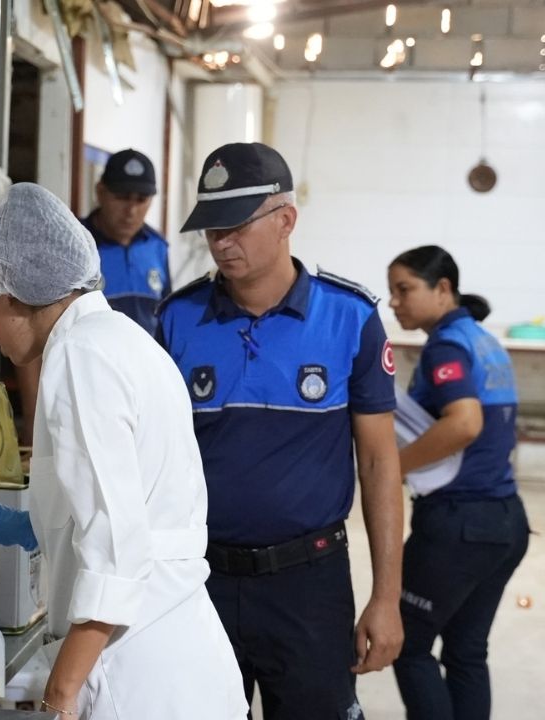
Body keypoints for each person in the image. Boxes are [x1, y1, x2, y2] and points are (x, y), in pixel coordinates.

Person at [0, 183, 247, 720]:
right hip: (174, 649)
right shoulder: (117, 339)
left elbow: (117, 557)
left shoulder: (80, 358)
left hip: (140, 669)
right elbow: (122, 507)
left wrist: (59, 697)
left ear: (11, 291)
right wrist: (28, 523)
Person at [156, 142, 404, 720]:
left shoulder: (350, 319)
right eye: (212, 227)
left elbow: (378, 464)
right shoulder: (177, 320)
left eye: (236, 225)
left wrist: (387, 597)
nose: (221, 242)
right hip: (199, 580)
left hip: (308, 586)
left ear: (286, 219)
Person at [385, 245, 531, 720]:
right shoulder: (481, 339)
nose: (394, 302)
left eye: (404, 290)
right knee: (466, 651)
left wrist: (396, 466)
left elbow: (464, 424)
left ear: (442, 289)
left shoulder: (446, 346)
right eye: (392, 292)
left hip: (460, 523)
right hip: (506, 520)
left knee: (407, 643)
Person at [80, 148, 170, 334]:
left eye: (141, 200)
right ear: (100, 192)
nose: (131, 211)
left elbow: (165, 318)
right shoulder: (75, 245)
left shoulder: (157, 247)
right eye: (122, 197)